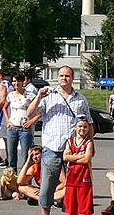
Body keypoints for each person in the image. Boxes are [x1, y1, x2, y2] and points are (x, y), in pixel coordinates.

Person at [27, 65, 93, 215]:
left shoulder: (81, 99)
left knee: (76, 186)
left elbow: (89, 123)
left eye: (67, 76)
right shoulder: (48, 95)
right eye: (61, 76)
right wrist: (38, 97)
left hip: (74, 149)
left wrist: (90, 144)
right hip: (52, 148)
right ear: (58, 78)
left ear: (72, 78)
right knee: (47, 187)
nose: (64, 78)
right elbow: (30, 114)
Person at [6, 72, 40, 171]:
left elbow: (41, 110)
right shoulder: (11, 95)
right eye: (14, 81)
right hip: (12, 129)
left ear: (22, 82)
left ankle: (25, 182)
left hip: (25, 130)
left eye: (18, 81)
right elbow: (5, 107)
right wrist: (8, 120)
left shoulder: (30, 95)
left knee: (26, 157)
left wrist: (32, 121)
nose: (16, 83)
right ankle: (12, 182)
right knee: (12, 157)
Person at [63, 117, 95, 215]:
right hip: (72, 177)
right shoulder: (70, 141)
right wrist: (80, 156)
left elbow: (87, 159)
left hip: (84, 177)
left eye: (85, 127)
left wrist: (72, 157)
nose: (82, 129)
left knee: (85, 209)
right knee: (71, 209)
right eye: (80, 126)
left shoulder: (89, 142)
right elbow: (65, 157)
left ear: (88, 128)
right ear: (75, 127)